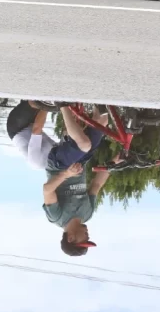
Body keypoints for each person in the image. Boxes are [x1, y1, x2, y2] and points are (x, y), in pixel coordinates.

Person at [42, 104, 113, 257]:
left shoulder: (57, 217)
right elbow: (97, 184)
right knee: (103, 120)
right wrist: (115, 163)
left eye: (85, 239)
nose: (88, 236)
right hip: (81, 161)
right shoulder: (87, 214)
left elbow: (47, 189)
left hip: (59, 164)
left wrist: (66, 174)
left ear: (71, 238)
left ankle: (62, 104)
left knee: (85, 144)